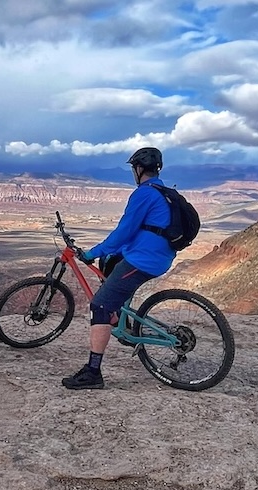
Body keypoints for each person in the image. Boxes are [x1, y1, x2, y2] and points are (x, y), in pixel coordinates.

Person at [62, 146, 176, 390]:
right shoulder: (162, 190)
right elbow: (140, 233)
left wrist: (93, 253)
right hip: (156, 255)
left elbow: (124, 232)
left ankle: (93, 372)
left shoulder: (144, 194)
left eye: (134, 168)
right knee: (111, 265)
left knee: (99, 305)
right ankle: (117, 318)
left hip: (144, 260)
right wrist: (109, 254)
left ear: (139, 169)